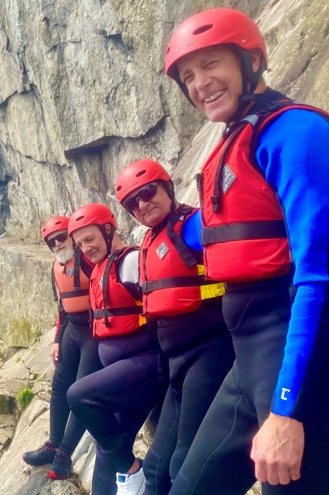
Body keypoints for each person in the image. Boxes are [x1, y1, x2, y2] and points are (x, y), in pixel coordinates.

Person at [162, 8, 329, 494]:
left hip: (297, 368)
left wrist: (287, 411)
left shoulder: (297, 133)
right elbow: (224, 232)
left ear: (250, 61)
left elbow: (315, 277)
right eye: (188, 76)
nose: (199, 84)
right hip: (249, 362)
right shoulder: (237, 140)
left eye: (211, 65)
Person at [114, 159, 235, 495]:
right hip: (178, 364)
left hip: (210, 355)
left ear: (167, 189)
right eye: (132, 202)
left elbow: (242, 247)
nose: (142, 204)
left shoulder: (194, 225)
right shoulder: (151, 242)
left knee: (183, 461)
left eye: (148, 192)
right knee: (155, 465)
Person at [65, 204, 167, 495]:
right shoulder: (99, 271)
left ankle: (134, 470)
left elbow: (162, 311)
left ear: (108, 231)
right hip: (124, 374)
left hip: (146, 366)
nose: (86, 248)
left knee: (78, 395)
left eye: (91, 239)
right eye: (81, 244)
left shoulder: (132, 261)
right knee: (108, 445)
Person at [22, 216, 103, 479]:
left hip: (93, 332)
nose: (58, 243)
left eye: (61, 237)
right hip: (72, 331)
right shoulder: (56, 267)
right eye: (51, 241)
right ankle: (54, 444)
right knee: (59, 389)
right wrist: (57, 340)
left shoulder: (89, 259)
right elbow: (62, 308)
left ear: (71, 236)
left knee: (78, 393)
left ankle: (65, 455)